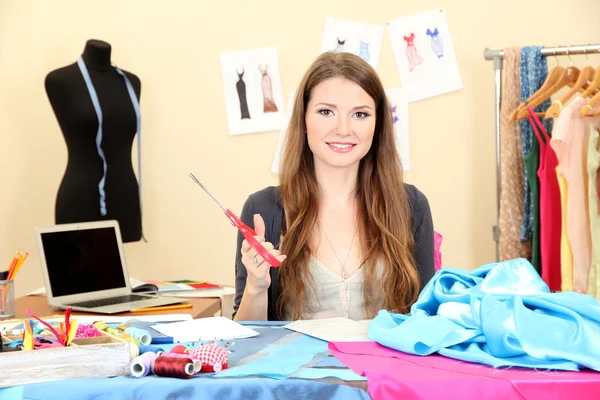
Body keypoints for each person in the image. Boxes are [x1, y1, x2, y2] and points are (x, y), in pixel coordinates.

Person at [233, 52, 435, 322]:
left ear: (377, 125)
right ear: (303, 120)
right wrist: (257, 287)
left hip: (381, 366)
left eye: (360, 114)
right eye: (326, 112)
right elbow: (247, 340)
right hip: (298, 365)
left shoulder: (411, 205)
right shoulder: (263, 209)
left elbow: (428, 322)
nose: (343, 129)